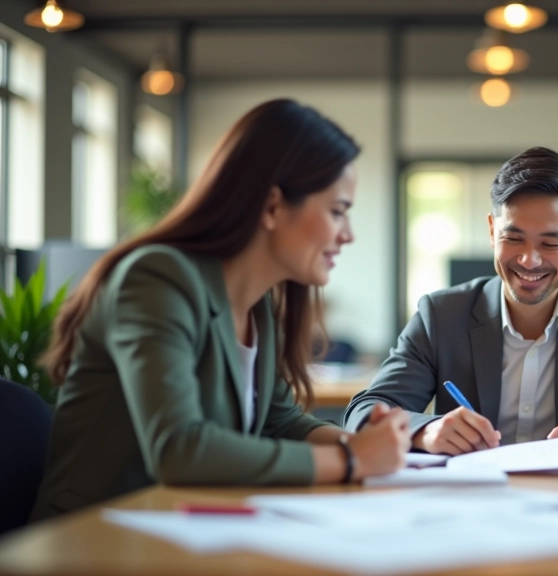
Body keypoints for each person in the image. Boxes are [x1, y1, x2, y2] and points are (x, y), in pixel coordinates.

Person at [31, 99, 410, 521]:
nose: (348, 235)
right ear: (272, 206)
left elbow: (280, 421)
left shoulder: (258, 305)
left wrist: (361, 446)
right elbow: (180, 449)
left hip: (185, 528)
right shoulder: (156, 279)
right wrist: (351, 460)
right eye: (338, 211)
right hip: (93, 540)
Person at [344, 147, 558, 455]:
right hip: (472, 504)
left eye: (550, 243)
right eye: (513, 238)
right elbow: (365, 411)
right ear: (491, 232)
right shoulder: (441, 315)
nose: (529, 260)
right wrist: (425, 430)